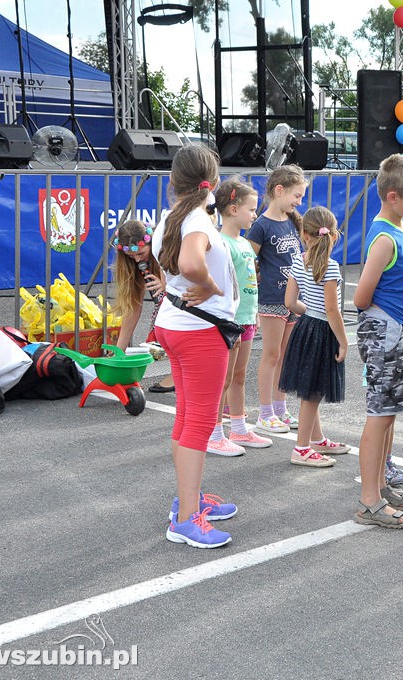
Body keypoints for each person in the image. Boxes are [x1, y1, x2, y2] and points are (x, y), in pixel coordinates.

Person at [154, 144, 239, 549]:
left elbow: (173, 267)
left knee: (189, 416)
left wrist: (198, 285)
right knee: (200, 423)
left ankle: (188, 500)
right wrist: (209, 285)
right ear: (214, 181)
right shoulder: (197, 222)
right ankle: (187, 518)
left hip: (179, 326)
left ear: (174, 180)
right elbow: (189, 265)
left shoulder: (174, 218)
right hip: (199, 332)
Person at [352, 154, 403, 529]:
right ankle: (369, 500)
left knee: (390, 412)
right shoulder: (384, 236)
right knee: (380, 413)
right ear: (393, 196)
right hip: (384, 332)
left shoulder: (398, 230)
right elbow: (360, 297)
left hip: (395, 331)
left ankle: (380, 486)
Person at [280, 206, 351, 467]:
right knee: (312, 394)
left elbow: (289, 302)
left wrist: (307, 311)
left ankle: (317, 439)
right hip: (323, 331)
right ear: (333, 235)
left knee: (312, 389)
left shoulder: (299, 260)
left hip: (306, 326)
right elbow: (332, 310)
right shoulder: (330, 267)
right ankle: (301, 448)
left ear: (303, 235)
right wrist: (343, 341)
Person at [206, 178, 272, 455]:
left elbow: (249, 281)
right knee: (223, 377)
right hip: (229, 320)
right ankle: (213, 432)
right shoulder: (220, 242)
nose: (255, 215)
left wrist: (253, 312)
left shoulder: (243, 242)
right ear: (233, 209)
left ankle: (239, 428)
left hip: (246, 317)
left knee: (239, 375)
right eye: (251, 209)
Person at [245, 165, 306, 435]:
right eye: (296, 195)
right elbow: (248, 259)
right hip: (271, 299)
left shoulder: (292, 221)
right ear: (278, 190)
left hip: (292, 299)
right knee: (271, 354)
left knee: (285, 355)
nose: (298, 202)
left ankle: (280, 408)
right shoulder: (261, 225)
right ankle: (265, 412)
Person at [111, 219, 174, 393]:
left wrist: (167, 285)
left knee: (168, 316)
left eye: (141, 253)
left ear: (151, 243)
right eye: (132, 256)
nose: (138, 259)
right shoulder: (136, 264)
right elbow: (133, 308)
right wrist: (119, 352)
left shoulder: (165, 248)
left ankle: (179, 373)